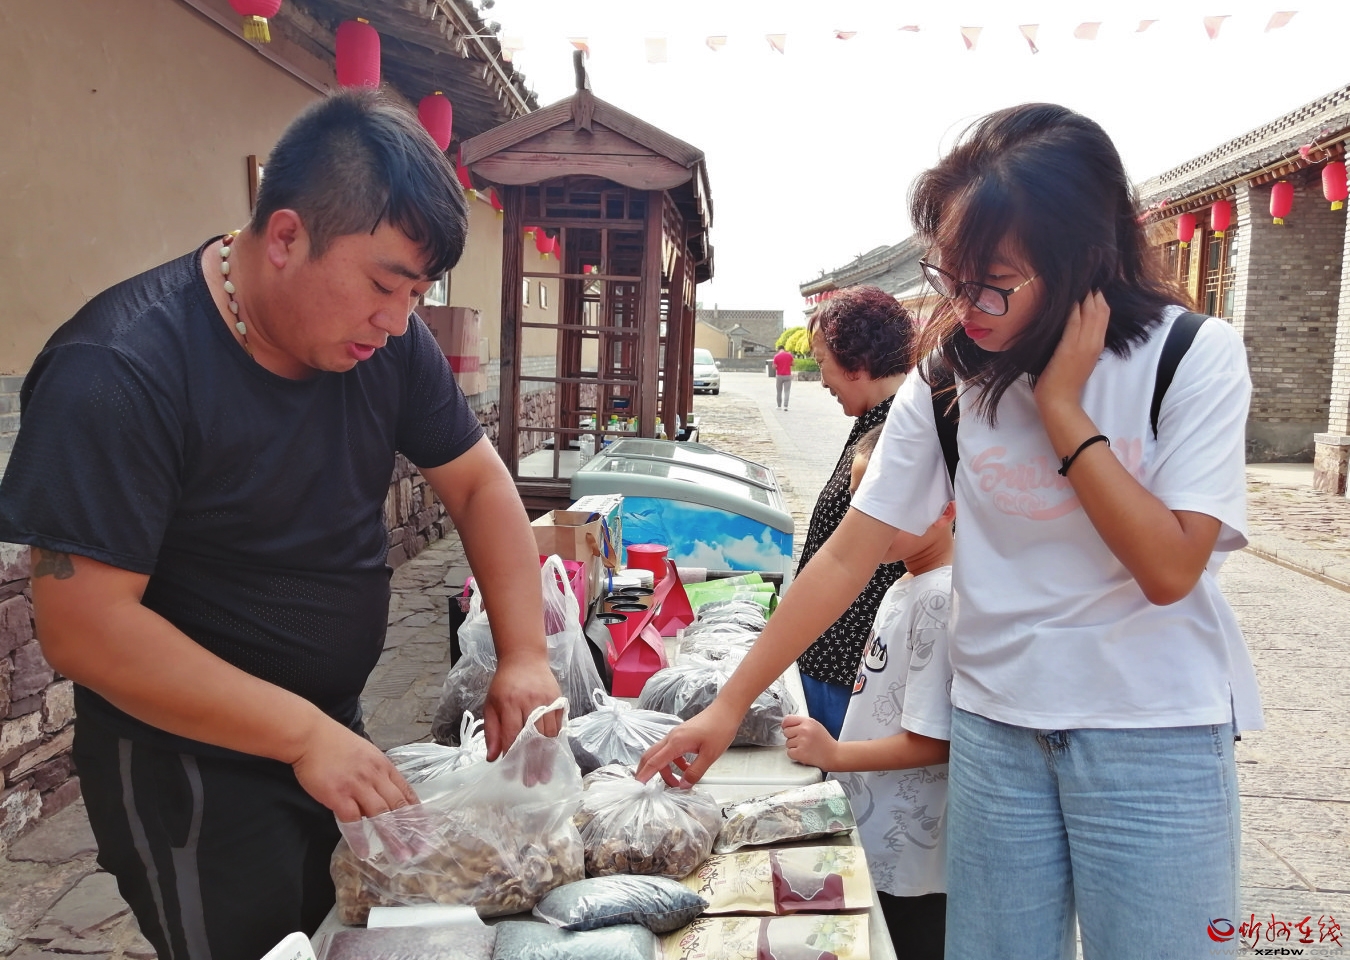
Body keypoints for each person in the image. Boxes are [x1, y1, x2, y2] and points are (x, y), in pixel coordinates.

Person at [639, 103, 1262, 960]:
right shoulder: (948, 379)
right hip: (996, 732)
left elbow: (1169, 568)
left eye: (992, 282)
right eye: (951, 277)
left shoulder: (1191, 355)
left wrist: (1061, 406)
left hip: (1153, 734)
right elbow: (848, 554)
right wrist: (728, 704)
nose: (965, 307)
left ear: (1082, 258)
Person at [0, 90, 562, 960]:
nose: (397, 320)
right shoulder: (117, 371)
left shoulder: (388, 346)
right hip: (188, 767)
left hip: (329, 730)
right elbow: (83, 626)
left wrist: (523, 652)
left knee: (356, 934)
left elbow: (481, 485)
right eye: (383, 284)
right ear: (288, 237)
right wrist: (299, 735)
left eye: (417, 293)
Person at [782, 425, 955, 960]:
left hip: (911, 852)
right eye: (860, 502)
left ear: (948, 508)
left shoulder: (940, 598)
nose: (867, 519)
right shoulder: (905, 580)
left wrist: (835, 754)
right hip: (877, 825)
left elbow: (937, 741)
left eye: (887, 501)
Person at [794, 287, 913, 738]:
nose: (822, 379)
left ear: (855, 362)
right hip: (831, 657)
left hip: (852, 669)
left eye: (822, 361)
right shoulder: (875, 419)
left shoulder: (901, 434)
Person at [772, 343, 794, 409]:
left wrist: (778, 367)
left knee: (779, 391)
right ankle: (785, 406)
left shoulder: (776, 356)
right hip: (788, 375)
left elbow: (774, 366)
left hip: (779, 375)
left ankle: (779, 406)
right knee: (787, 391)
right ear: (784, 349)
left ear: (778, 350)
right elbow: (793, 364)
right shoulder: (789, 355)